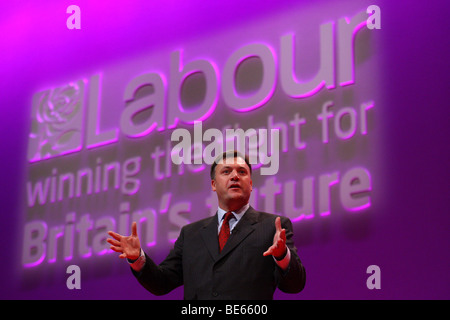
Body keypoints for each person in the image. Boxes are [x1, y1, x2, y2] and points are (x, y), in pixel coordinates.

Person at [107, 151, 306, 299]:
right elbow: (162, 282)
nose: (235, 176)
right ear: (213, 184)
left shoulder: (272, 227)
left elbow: (295, 285)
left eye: (242, 172)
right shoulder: (191, 234)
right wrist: (138, 258)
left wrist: (281, 255)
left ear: (251, 184)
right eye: (226, 171)